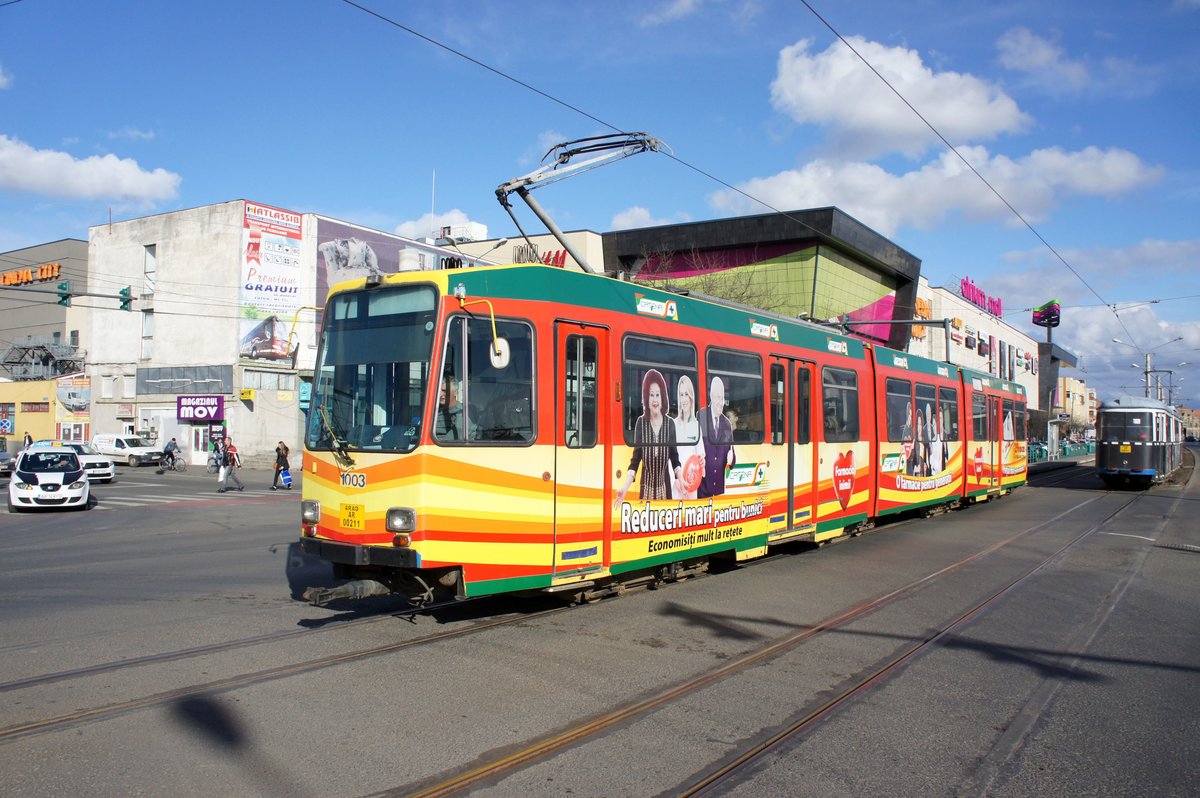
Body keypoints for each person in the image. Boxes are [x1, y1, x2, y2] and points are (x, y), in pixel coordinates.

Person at [615, 369, 680, 504]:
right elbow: (635, 460)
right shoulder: (641, 422)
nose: (655, 400)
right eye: (651, 395)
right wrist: (625, 489)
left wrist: (682, 481)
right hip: (646, 492)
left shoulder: (670, 424)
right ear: (646, 398)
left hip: (665, 491)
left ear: (663, 397)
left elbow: (674, 458)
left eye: (658, 395)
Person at [697, 376, 735, 499]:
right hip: (703, 488)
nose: (721, 402)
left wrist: (732, 459)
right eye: (718, 398)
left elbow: (732, 456)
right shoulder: (701, 416)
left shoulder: (727, 424)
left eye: (722, 398)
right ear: (712, 397)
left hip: (719, 491)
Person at [672, 375, 703, 500]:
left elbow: (700, 455)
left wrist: (702, 462)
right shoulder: (673, 424)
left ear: (691, 397)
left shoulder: (696, 425)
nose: (684, 399)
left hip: (692, 485)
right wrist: (678, 480)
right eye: (681, 394)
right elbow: (670, 458)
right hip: (676, 485)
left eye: (686, 394)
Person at [435, 376, 476, 441]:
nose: (440, 394)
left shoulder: (464, 412)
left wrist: (437, 441)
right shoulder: (435, 411)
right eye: (439, 390)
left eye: (445, 391)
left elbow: (458, 437)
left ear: (455, 392)